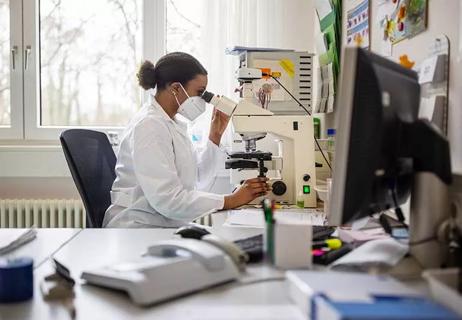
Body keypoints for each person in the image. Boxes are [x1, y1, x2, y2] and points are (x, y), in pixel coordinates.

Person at [103, 52, 269, 228]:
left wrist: (215, 135)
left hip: (162, 220)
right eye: (200, 92)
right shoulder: (149, 126)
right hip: (137, 226)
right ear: (175, 88)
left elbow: (196, 180)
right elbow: (168, 200)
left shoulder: (171, 123)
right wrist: (231, 200)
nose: (203, 99)